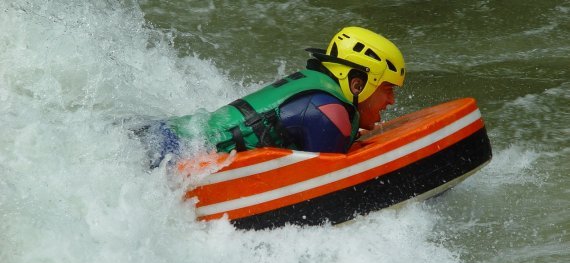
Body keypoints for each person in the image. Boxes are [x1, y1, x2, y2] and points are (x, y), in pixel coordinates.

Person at [136, 26, 405, 167]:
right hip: (170, 152)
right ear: (359, 84)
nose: (391, 101)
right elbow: (327, 181)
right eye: (388, 89)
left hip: (164, 133)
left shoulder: (318, 90)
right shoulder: (329, 111)